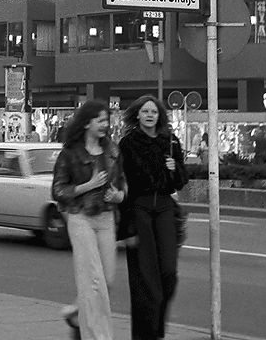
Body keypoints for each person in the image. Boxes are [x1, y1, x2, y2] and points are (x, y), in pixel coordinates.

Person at [52, 100, 125, 340]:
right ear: (86, 123)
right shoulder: (70, 153)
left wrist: (120, 195)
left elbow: (123, 183)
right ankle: (98, 336)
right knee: (93, 280)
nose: (105, 125)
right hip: (80, 218)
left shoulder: (112, 151)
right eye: (100, 120)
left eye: (107, 120)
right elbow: (58, 191)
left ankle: (76, 313)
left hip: (106, 219)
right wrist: (87, 186)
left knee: (108, 280)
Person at [118, 95, 183, 340]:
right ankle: (147, 334)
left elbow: (180, 181)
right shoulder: (128, 143)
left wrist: (174, 169)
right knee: (146, 279)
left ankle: (156, 324)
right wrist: (127, 228)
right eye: (145, 111)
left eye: (153, 112)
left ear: (159, 116)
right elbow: (123, 185)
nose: (149, 115)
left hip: (165, 206)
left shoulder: (170, 141)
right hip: (140, 209)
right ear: (137, 115)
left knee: (169, 272)